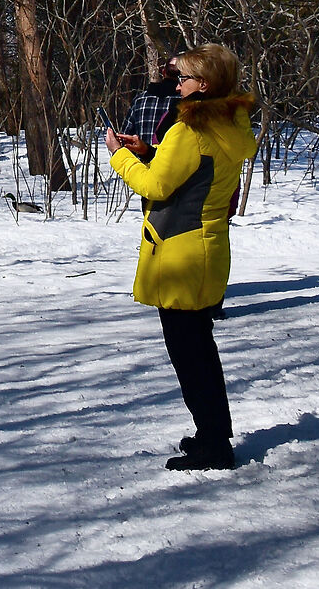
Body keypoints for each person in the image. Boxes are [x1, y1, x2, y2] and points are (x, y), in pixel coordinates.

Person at [108, 43, 258, 472]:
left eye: (184, 78)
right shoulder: (229, 123)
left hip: (181, 252)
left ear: (203, 84)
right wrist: (149, 152)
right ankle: (212, 434)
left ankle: (215, 445)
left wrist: (120, 156)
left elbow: (156, 187)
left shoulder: (188, 129)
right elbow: (194, 171)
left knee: (190, 355)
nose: (177, 85)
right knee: (199, 349)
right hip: (206, 247)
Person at [119, 61, 184, 154]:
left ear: (163, 72)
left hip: (141, 160)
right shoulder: (185, 103)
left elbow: (125, 136)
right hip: (172, 159)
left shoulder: (140, 100)